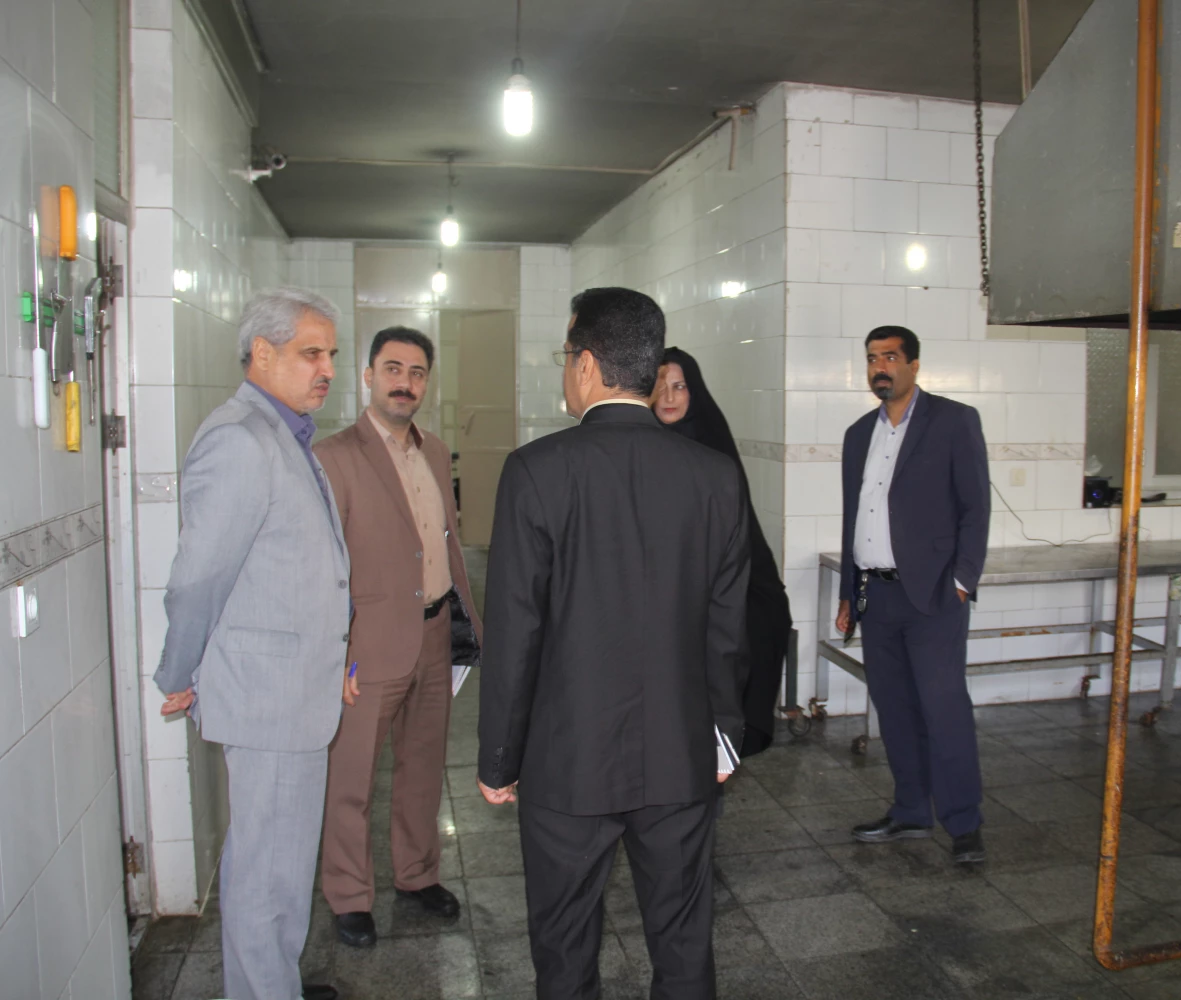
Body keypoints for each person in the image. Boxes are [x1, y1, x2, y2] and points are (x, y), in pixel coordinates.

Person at [477, 288, 750, 1000]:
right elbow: (727, 628)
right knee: (684, 947)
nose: (566, 371)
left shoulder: (535, 471)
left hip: (566, 764)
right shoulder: (715, 476)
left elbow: (514, 632)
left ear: (588, 365)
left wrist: (499, 758)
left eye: (566, 356)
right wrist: (723, 738)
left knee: (565, 951)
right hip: (680, 755)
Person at [154, 287, 348, 1000]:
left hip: (292, 695)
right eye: (311, 353)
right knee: (266, 885)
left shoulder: (283, 432)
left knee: (279, 877)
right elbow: (198, 575)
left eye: (331, 354)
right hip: (269, 702)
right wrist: (178, 670)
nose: (327, 369)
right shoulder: (239, 438)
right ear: (261, 353)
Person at [313, 326, 481, 948]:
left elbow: (443, 545)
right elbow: (321, 566)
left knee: (423, 769)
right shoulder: (334, 457)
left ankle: (417, 875)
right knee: (351, 779)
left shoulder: (435, 452)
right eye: (392, 369)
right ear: (368, 376)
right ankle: (349, 896)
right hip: (366, 647)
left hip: (433, 636)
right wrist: (335, 653)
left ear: (426, 383)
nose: (404, 383)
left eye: (416, 372)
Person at [835, 325, 991, 865]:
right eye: (872, 358)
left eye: (890, 357)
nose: (880, 367)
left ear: (914, 365)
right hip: (876, 597)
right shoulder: (859, 433)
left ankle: (964, 823)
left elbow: (975, 508)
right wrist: (849, 593)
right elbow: (853, 518)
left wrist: (962, 580)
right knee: (895, 710)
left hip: (932, 597)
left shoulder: (953, 421)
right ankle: (910, 811)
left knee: (944, 709)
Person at [653, 347, 792, 756]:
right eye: (660, 385)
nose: (669, 396)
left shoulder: (712, 446)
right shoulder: (639, 447)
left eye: (680, 386)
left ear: (694, 392)